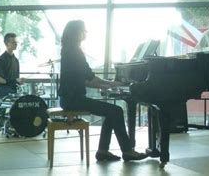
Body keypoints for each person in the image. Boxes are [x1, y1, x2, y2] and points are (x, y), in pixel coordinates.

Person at [58, 20, 147, 161]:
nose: (85, 33)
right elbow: (91, 79)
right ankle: (127, 151)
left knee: (112, 112)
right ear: (76, 32)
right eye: (83, 30)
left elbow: (87, 80)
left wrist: (110, 84)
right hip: (73, 100)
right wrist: (113, 84)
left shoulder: (69, 50)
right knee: (116, 111)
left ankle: (103, 151)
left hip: (68, 98)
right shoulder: (75, 52)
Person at [0, 33, 23, 99]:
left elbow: (16, 78)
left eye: (16, 42)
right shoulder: (0, 60)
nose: (16, 44)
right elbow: (1, 80)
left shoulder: (16, 60)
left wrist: (19, 81)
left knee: (25, 97)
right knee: (13, 95)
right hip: (2, 88)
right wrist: (16, 80)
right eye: (13, 42)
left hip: (13, 88)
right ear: (6, 44)